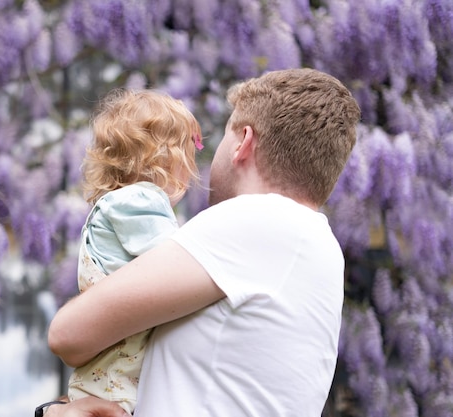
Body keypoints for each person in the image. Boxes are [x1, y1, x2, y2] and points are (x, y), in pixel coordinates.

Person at [44, 68, 361, 417]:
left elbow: (68, 334)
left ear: (243, 142)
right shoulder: (312, 244)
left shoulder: (257, 221)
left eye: (221, 136)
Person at [64, 88, 203, 414]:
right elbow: (175, 265)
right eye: (190, 154)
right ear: (168, 159)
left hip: (103, 374)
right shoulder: (140, 201)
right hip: (119, 381)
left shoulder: (112, 205)